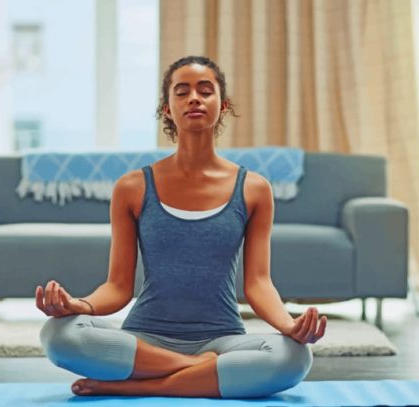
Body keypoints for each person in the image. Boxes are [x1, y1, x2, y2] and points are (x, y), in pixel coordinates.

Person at [35, 55, 327, 399]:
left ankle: (138, 385)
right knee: (58, 335)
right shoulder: (132, 187)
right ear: (167, 110)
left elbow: (258, 284)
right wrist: (78, 306)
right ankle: (196, 372)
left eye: (206, 90)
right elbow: (117, 287)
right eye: (182, 91)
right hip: (145, 339)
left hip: (222, 338)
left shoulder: (254, 189)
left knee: (294, 357)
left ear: (223, 105)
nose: (194, 98)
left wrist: (289, 326)